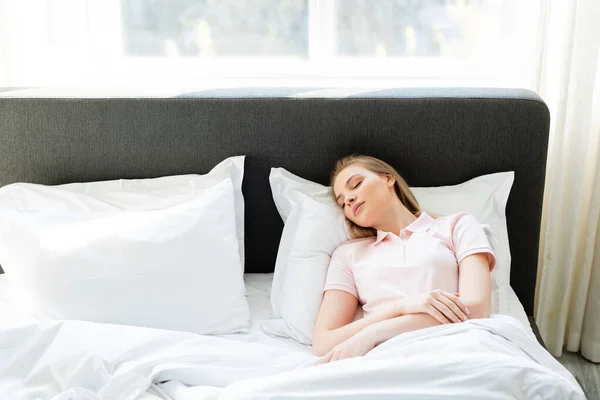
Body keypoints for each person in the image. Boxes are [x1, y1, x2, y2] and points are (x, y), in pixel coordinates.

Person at [313, 155, 496, 363]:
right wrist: (400, 307)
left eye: (356, 184)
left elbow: (477, 307)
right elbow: (323, 343)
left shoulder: (457, 226)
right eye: (342, 202)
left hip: (456, 349)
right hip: (383, 359)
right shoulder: (347, 255)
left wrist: (375, 332)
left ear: (389, 179)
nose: (348, 199)